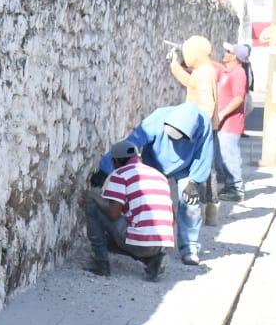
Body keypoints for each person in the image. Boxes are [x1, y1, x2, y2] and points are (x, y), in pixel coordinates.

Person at [99, 102, 214, 266]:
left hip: (186, 169)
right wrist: (106, 168)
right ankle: (150, 239)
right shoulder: (158, 117)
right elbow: (132, 142)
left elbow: (204, 155)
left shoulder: (204, 125)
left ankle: (189, 247)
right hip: (154, 163)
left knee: (190, 203)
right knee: (144, 200)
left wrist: (194, 181)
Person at [85, 141, 174, 280]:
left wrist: (94, 197)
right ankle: (152, 261)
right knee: (124, 235)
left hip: (140, 242)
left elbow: (113, 213)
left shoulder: (120, 174)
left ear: (116, 161)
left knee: (92, 207)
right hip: (161, 243)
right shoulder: (159, 175)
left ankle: (101, 264)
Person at [214, 43, 249, 201]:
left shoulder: (239, 73)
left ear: (234, 56)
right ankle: (230, 187)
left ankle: (237, 191)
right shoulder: (228, 71)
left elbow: (238, 98)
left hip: (230, 124)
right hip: (224, 124)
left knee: (230, 157)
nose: (224, 53)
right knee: (223, 157)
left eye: (227, 51)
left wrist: (221, 114)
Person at [169, 34, 218, 121]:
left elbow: (207, 107)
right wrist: (175, 66)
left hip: (200, 128)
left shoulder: (203, 73)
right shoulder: (205, 69)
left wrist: (192, 125)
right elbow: (192, 84)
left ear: (195, 54)